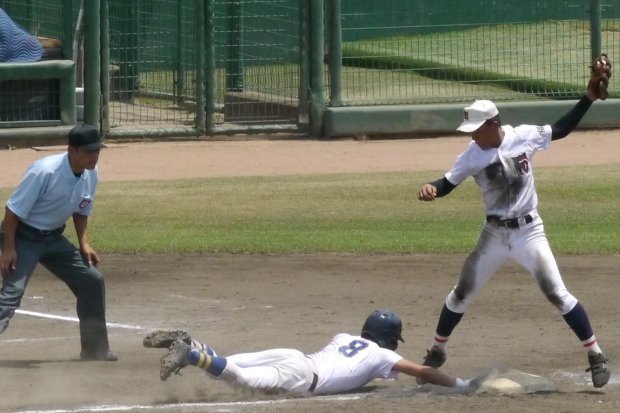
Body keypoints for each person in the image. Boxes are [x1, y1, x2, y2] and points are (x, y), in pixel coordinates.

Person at [416, 63, 612, 388]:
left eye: (478, 129)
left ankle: (595, 355)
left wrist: (587, 98)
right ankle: (437, 351)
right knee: (461, 293)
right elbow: (448, 182)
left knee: (557, 293)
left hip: (528, 232)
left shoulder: (523, 136)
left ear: (495, 124)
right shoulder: (471, 154)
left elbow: (559, 129)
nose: (474, 136)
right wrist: (432, 188)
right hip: (494, 234)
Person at [147, 310, 482, 395]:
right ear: (390, 340)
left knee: (229, 363)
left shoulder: (344, 336)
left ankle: (192, 345)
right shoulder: (383, 356)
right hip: (302, 376)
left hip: (296, 357)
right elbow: (424, 372)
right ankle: (190, 354)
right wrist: (462, 384)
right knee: (241, 378)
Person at [0, 124, 117, 361]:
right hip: (23, 237)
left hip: (53, 238)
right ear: (72, 150)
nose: (94, 156)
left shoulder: (91, 172)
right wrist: (9, 248)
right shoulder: (44, 171)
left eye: (97, 150)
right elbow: (12, 211)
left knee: (92, 281)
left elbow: (82, 209)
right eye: (89, 151)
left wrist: (83, 242)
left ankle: (95, 350)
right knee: (12, 294)